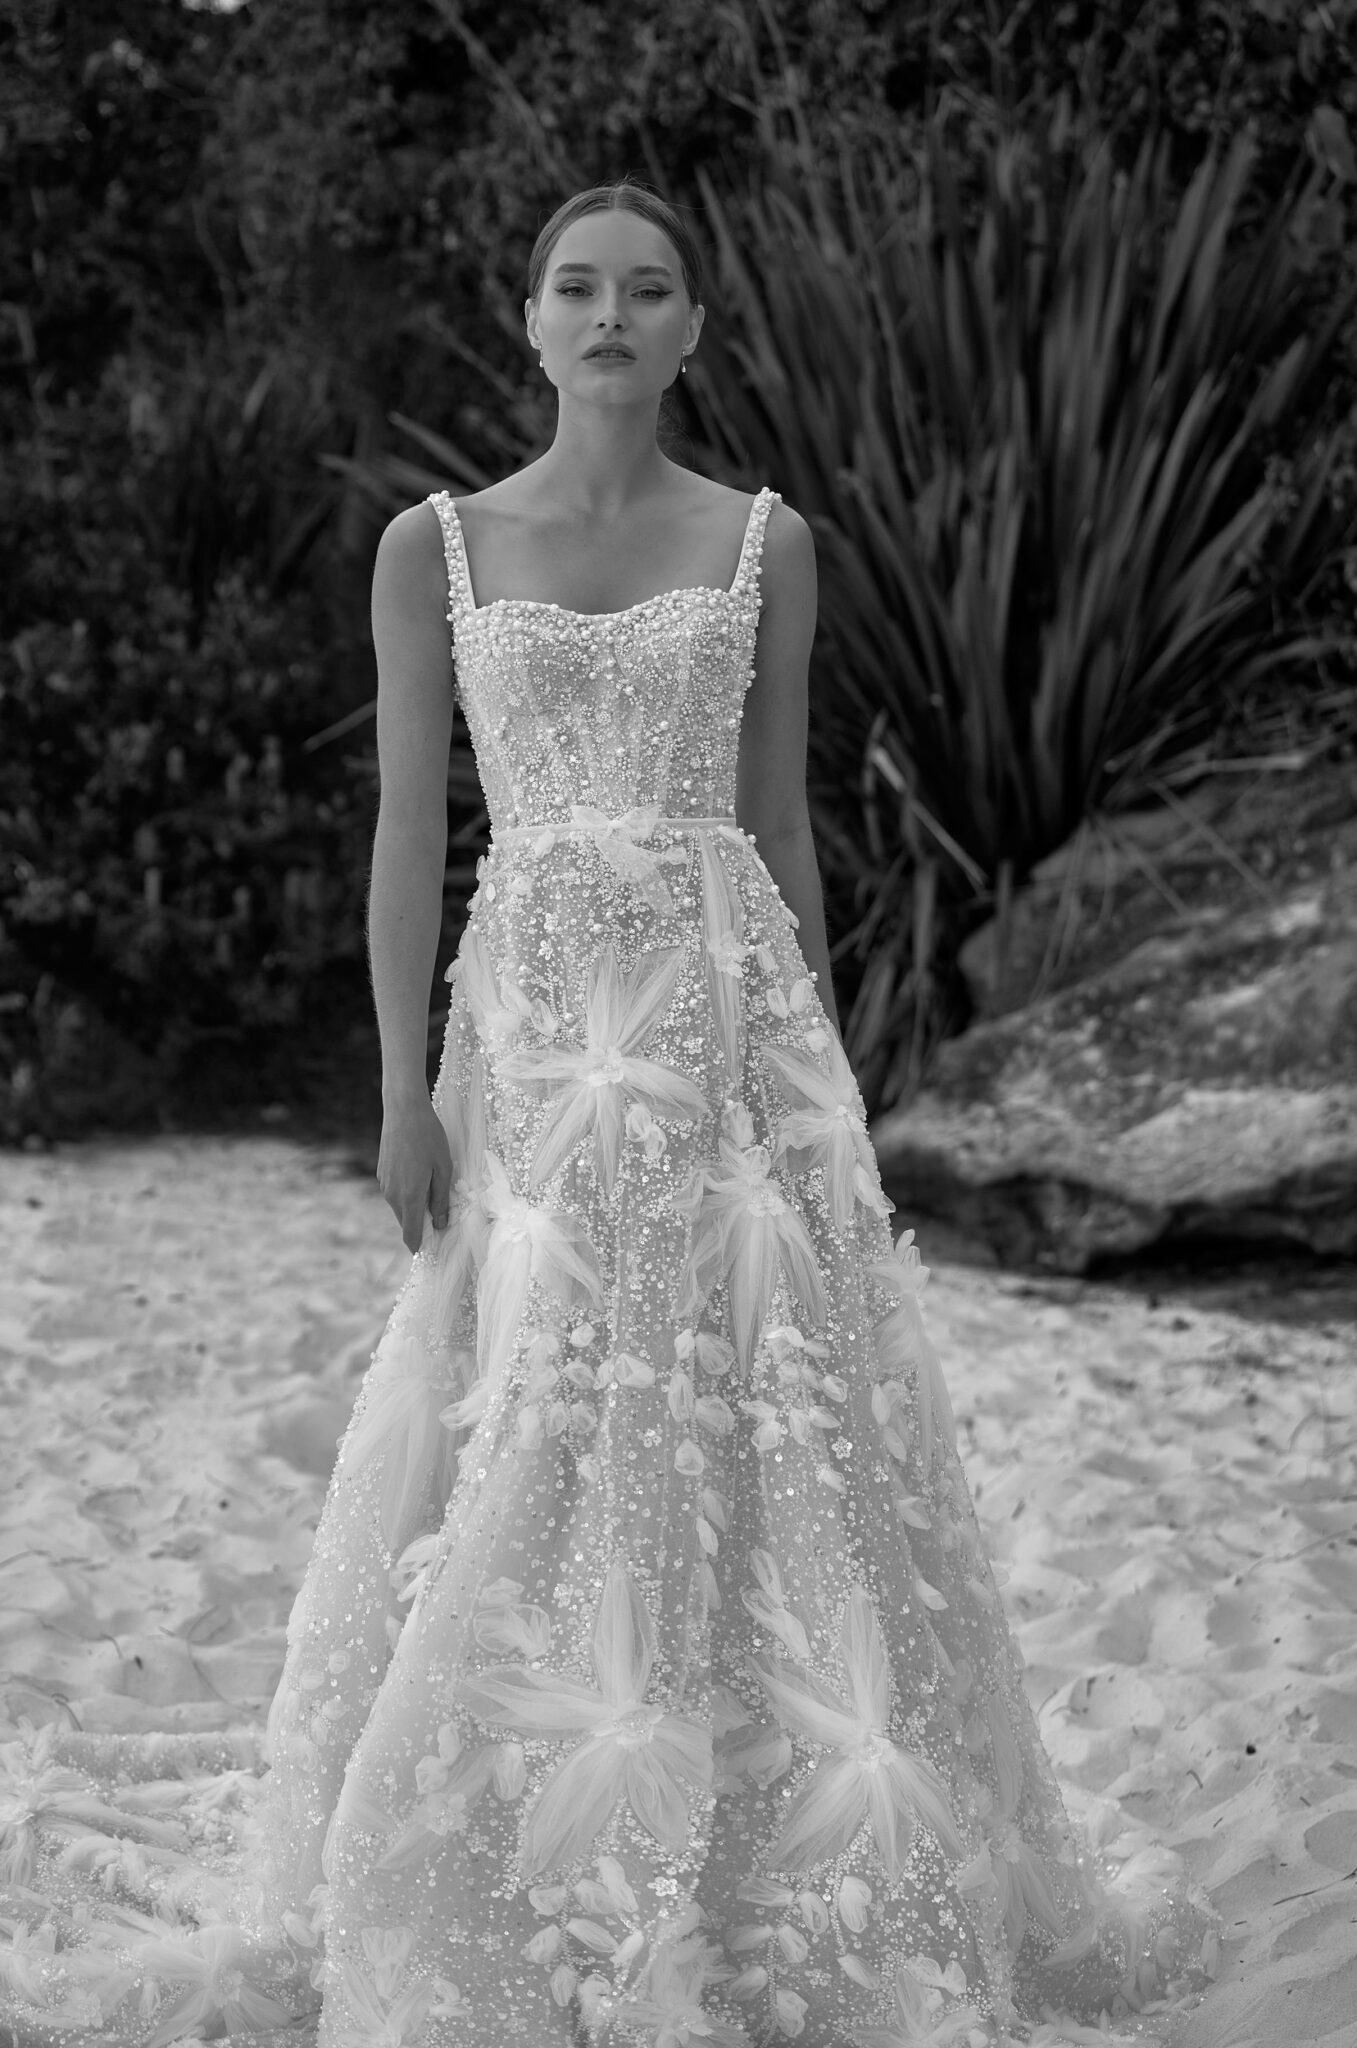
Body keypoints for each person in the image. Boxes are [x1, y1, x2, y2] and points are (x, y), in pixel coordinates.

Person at [0, 181, 1218, 2048]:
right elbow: (408, 828)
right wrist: (396, 1083)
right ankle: (511, 1820)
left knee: (754, 1402)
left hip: (726, 1031)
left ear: (692, 328)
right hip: (534, 1040)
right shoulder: (433, 546)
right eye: (576, 286)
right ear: (529, 319)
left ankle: (762, 1829)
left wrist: (820, 1079)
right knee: (533, 1392)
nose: (610, 315)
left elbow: (779, 823)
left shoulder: (765, 543)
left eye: (648, 289)